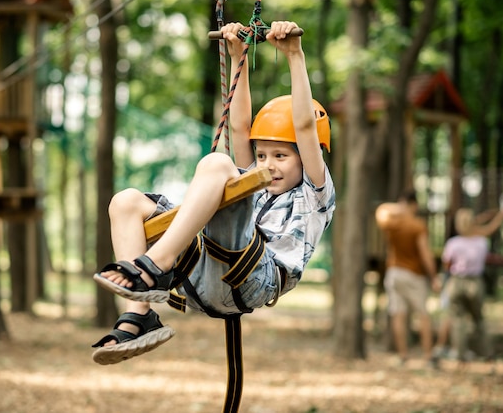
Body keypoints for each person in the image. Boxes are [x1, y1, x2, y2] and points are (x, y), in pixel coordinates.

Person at [90, 21, 336, 365]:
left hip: (253, 278)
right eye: (262, 155)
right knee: (125, 201)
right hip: (208, 270)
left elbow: (306, 127)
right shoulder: (258, 177)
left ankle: (155, 265)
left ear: (307, 155)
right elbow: (239, 126)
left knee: (218, 164)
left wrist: (294, 56)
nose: (269, 165)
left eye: (281, 156)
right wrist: (239, 58)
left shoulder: (315, 193)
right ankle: (138, 315)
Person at [433, 206, 503, 362]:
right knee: (479, 320)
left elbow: (447, 264)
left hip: (457, 282)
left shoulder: (453, 244)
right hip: (475, 282)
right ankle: (487, 353)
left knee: (458, 320)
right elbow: (486, 232)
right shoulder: (481, 242)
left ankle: (460, 354)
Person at [375, 191, 441, 366]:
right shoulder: (417, 225)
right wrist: (434, 276)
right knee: (423, 315)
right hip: (414, 275)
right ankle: (428, 356)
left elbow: (380, 210)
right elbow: (425, 254)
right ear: (415, 205)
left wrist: (398, 208)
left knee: (399, 315)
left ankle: (403, 356)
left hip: (394, 273)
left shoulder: (392, 223)